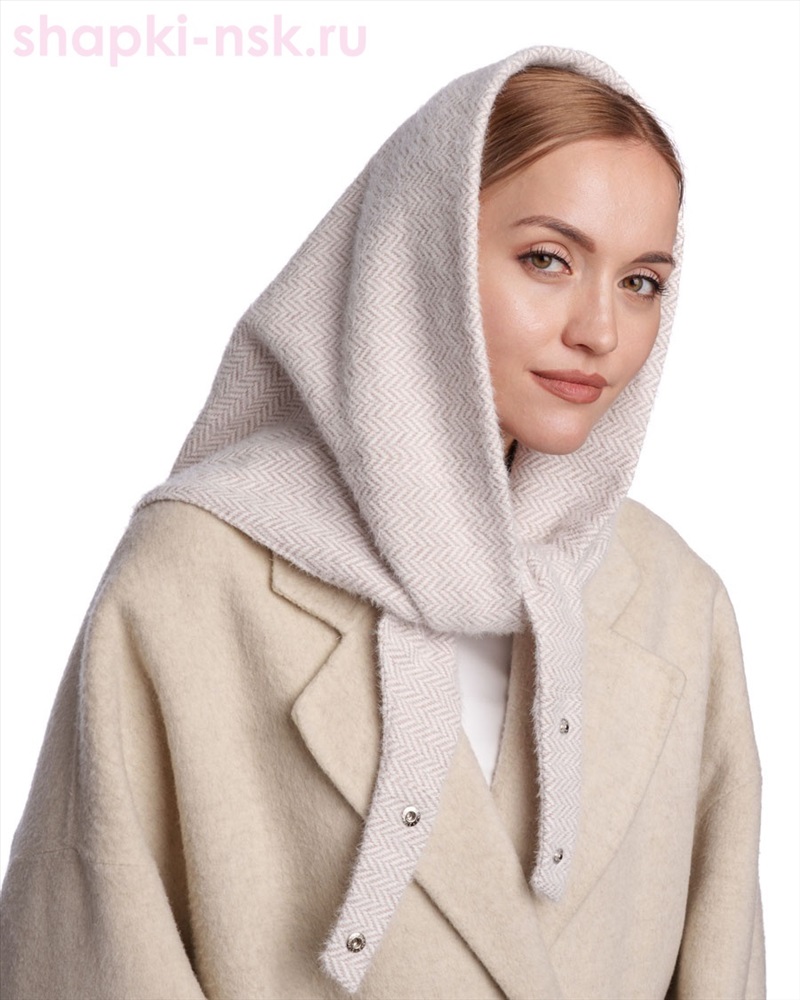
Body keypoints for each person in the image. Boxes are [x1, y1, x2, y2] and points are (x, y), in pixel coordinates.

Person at [0, 46, 764, 999]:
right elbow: (89, 952)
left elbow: (724, 963)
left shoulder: (678, 602)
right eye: (548, 259)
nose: (600, 332)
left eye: (641, 281)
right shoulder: (195, 575)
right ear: (420, 256)